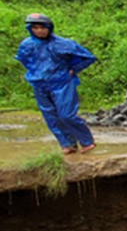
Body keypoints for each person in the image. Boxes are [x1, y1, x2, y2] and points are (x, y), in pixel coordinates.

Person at [15, 13, 98, 154]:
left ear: (49, 28)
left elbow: (88, 57)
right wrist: (35, 73)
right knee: (51, 117)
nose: (39, 31)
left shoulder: (64, 43)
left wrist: (73, 69)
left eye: (42, 27)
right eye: (35, 27)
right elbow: (24, 60)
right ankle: (68, 144)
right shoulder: (27, 44)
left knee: (67, 115)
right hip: (39, 84)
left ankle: (87, 141)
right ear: (30, 29)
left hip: (62, 83)